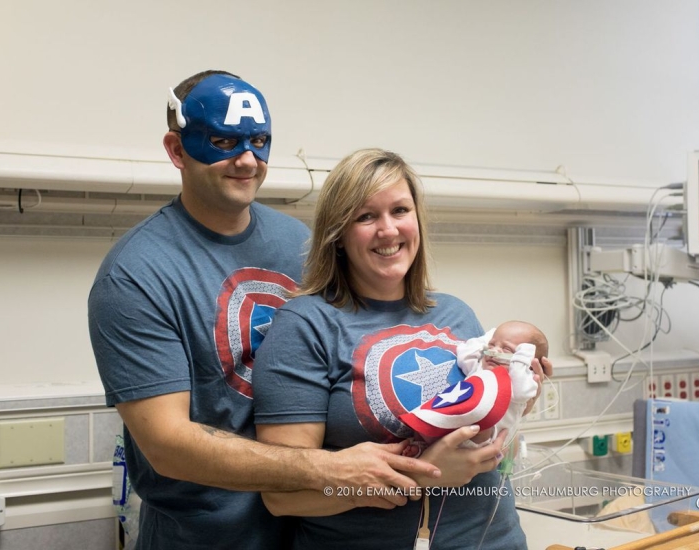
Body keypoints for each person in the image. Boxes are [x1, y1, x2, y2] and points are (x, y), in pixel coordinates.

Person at [88, 72, 442, 550]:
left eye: (259, 141)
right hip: (205, 538)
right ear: (177, 150)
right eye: (222, 141)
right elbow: (167, 445)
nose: (248, 160)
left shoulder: (299, 243)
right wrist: (328, 468)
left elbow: (374, 340)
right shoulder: (135, 275)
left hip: (315, 529)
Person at [253, 148, 551, 550]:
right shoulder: (305, 326)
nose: (388, 230)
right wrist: (421, 474)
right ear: (338, 235)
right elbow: (282, 496)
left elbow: (485, 421)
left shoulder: (456, 313)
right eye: (365, 216)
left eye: (399, 211)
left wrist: (518, 395)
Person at [400, 321, 548, 454]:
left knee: (480, 427)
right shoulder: (480, 367)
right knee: (432, 419)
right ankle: (421, 447)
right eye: (492, 344)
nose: (494, 351)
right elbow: (464, 354)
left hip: (489, 437)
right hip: (456, 423)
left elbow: (522, 394)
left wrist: (521, 360)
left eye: (507, 349)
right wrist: (487, 338)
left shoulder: (518, 381)